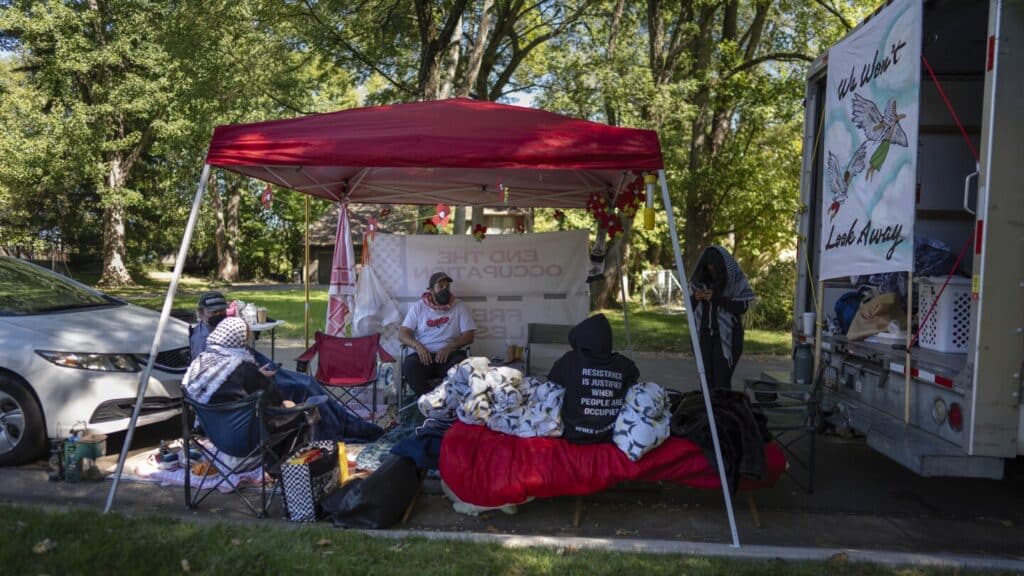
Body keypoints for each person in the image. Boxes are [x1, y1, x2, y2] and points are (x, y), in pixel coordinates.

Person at [190, 291, 383, 443]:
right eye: (213, 312)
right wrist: (257, 375)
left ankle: (350, 425)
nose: (218, 315)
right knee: (304, 388)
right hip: (250, 389)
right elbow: (221, 379)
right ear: (201, 313)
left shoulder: (221, 330)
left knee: (308, 381)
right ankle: (340, 430)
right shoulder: (204, 340)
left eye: (221, 311)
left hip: (256, 374)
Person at [182, 317, 308, 468]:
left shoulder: (200, 363)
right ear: (239, 339)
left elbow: (231, 382)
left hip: (215, 436)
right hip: (247, 441)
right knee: (302, 412)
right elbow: (274, 402)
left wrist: (255, 373)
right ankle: (281, 468)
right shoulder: (242, 367)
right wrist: (287, 404)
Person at [548, 313, 639, 444]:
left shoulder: (570, 360)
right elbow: (635, 375)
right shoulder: (623, 364)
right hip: (608, 435)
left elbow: (553, 381)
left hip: (573, 434)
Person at [398, 271, 476, 395]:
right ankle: (431, 400)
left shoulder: (459, 306)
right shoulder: (419, 307)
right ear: (431, 290)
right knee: (409, 366)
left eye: (447, 287)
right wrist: (418, 346)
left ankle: (447, 401)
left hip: (449, 356)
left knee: (462, 366)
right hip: (424, 356)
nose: (445, 290)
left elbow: (469, 336)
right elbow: (403, 333)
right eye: (440, 286)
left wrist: (450, 346)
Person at [689, 246, 755, 391]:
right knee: (705, 381)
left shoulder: (734, 280)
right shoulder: (698, 280)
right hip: (703, 335)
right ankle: (708, 412)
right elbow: (689, 308)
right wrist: (695, 298)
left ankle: (721, 412)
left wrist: (716, 298)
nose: (711, 269)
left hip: (727, 336)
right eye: (708, 266)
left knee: (721, 383)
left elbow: (742, 306)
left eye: (714, 266)